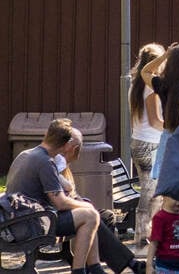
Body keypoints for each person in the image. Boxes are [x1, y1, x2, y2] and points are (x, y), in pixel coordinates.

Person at [6, 118, 117, 274]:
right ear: (65, 145)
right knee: (90, 215)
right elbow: (60, 202)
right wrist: (86, 206)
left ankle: (95, 268)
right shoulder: (44, 162)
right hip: (30, 225)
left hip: (21, 220)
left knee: (89, 214)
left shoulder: (34, 155)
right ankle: (80, 270)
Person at [54, 128, 146, 274]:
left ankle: (102, 264)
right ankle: (127, 263)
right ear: (73, 148)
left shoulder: (59, 162)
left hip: (68, 210)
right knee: (95, 218)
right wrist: (83, 204)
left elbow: (70, 194)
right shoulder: (55, 162)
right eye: (78, 149)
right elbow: (63, 196)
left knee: (106, 216)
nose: (78, 154)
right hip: (59, 215)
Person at [130, 42, 166, 252]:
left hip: (138, 141)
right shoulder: (150, 89)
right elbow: (155, 121)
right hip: (151, 142)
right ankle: (144, 238)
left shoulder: (134, 85)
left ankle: (141, 236)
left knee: (147, 190)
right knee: (151, 193)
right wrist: (173, 125)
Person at [141, 44, 179, 180]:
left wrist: (165, 55)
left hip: (169, 137)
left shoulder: (163, 84)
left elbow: (145, 72)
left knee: (167, 189)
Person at [146, 197, 179, 274]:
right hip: (165, 267)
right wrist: (149, 265)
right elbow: (154, 243)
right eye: (175, 196)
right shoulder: (160, 217)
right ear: (165, 197)